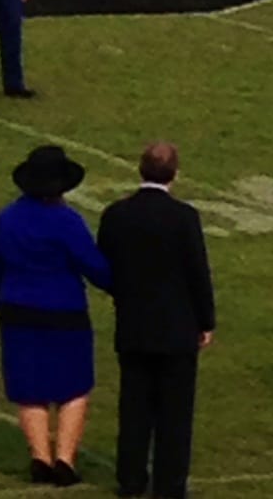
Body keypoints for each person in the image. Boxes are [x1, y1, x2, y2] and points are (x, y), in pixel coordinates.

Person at [97, 142, 215, 499]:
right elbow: (198, 273)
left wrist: (123, 294)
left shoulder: (117, 214)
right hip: (177, 328)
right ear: (175, 174)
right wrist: (205, 321)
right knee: (175, 414)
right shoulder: (184, 217)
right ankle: (170, 484)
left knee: (134, 407)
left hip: (133, 325)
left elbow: (104, 265)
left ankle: (131, 479)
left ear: (140, 170)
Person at [0, 145, 110, 487]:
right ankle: (64, 459)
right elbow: (94, 265)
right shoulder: (67, 221)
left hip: (16, 310)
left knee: (30, 388)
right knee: (73, 385)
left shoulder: (6, 218)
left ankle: (39, 457)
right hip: (63, 310)